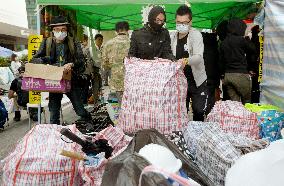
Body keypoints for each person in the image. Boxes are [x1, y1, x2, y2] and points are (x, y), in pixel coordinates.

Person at [31, 15, 92, 125]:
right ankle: (56, 134)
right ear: (53, 30)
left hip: (71, 80)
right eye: (58, 30)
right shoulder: (46, 42)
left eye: (63, 29)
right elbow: (34, 60)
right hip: (54, 81)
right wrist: (47, 61)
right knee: (53, 113)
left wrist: (72, 64)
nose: (61, 32)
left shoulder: (73, 42)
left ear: (67, 30)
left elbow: (81, 61)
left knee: (80, 109)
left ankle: (89, 121)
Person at [170, 5, 208, 121]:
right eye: (178, 22)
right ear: (175, 21)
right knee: (181, 113)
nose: (181, 25)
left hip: (197, 81)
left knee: (198, 111)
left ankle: (198, 136)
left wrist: (185, 60)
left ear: (190, 22)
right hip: (180, 82)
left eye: (185, 22)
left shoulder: (196, 35)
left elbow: (198, 57)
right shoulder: (172, 37)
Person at [219, 19, 256, 104]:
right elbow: (253, 49)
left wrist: (222, 75)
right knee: (247, 103)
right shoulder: (241, 40)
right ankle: (246, 117)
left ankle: (236, 117)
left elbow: (221, 61)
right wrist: (247, 37)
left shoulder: (223, 42)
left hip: (228, 76)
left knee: (235, 105)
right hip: (241, 75)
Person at [101, 21, 131, 104]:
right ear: (128, 30)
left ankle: (123, 114)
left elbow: (104, 62)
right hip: (131, 76)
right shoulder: (132, 43)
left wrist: (112, 66)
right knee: (131, 101)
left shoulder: (108, 43)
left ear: (116, 31)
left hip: (115, 75)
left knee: (120, 101)